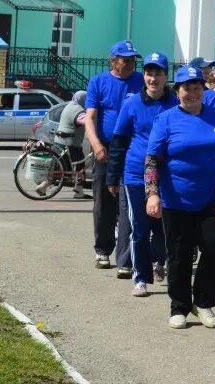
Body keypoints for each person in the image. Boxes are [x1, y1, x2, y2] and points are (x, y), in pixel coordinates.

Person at [144, 65, 215, 330]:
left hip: (213, 201)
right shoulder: (166, 119)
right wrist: (152, 194)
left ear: (203, 90)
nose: (192, 92)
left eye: (197, 87)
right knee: (179, 255)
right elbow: (151, 160)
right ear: (177, 91)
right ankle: (179, 307)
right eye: (187, 87)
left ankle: (204, 303)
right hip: (177, 200)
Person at [107, 52, 177, 296]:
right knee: (139, 227)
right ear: (144, 76)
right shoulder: (132, 103)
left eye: (158, 73)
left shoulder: (176, 103)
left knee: (163, 226)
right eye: (149, 73)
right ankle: (141, 277)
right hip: (136, 174)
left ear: (166, 76)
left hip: (167, 175)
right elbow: (119, 142)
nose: (153, 78)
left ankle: (159, 260)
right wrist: (113, 176)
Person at [85, 40, 145, 271]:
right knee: (103, 201)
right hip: (106, 149)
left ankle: (126, 256)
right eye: (125, 59)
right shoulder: (99, 82)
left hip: (133, 148)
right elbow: (90, 117)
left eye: (132, 59)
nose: (130, 63)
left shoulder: (140, 80)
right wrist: (96, 144)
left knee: (129, 201)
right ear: (113, 60)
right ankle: (102, 250)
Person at [52, 90, 89, 199]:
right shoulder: (78, 109)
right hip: (70, 142)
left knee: (62, 168)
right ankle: (79, 191)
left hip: (60, 140)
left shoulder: (68, 106)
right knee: (80, 165)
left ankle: (79, 190)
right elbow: (84, 120)